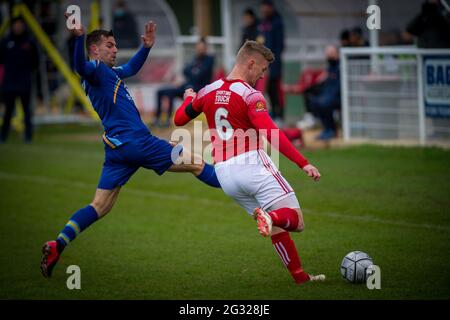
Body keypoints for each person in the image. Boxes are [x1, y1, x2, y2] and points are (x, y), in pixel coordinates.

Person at [40, 17, 221, 278]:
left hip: (118, 150)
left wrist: (146, 47)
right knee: (197, 163)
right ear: (95, 49)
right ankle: (236, 183)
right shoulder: (94, 70)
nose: (115, 49)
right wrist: (78, 38)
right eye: (110, 45)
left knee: (99, 206)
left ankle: (58, 244)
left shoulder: (108, 73)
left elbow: (132, 67)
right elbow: (79, 65)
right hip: (139, 144)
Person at [174, 40, 325, 284]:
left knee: (275, 224)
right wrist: (303, 162)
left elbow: (180, 119)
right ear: (251, 62)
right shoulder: (250, 95)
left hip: (225, 174)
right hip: (251, 165)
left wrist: (187, 99)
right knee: (295, 220)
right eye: (263, 70)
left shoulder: (208, 90)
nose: (263, 76)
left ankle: (300, 278)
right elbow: (271, 133)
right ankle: (272, 217)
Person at [153, 37, 214, 127]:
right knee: (160, 91)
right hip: (187, 87)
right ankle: (157, 119)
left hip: (198, 89)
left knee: (170, 93)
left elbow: (200, 75)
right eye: (198, 47)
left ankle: (167, 121)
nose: (200, 49)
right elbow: (185, 71)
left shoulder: (209, 59)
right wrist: (194, 71)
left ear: (205, 48)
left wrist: (193, 71)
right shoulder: (195, 59)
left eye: (202, 47)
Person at [0, 17, 39, 143]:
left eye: (20, 25)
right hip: (9, 82)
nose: (18, 27)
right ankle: (3, 136)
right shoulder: (6, 41)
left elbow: (35, 62)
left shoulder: (29, 42)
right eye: (15, 25)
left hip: (24, 82)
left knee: (27, 111)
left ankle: (28, 136)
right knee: (8, 111)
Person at [257, 0, 285, 124]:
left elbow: (280, 45)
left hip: (274, 63)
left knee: (275, 90)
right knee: (266, 90)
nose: (263, 9)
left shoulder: (277, 22)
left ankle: (279, 116)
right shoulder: (263, 22)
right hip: (263, 63)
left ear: (270, 7)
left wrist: (273, 61)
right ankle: (272, 115)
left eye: (265, 7)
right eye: (262, 7)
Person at [307, 45, 341, 141]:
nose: (329, 57)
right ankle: (327, 128)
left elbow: (337, 88)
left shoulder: (341, 67)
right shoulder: (330, 68)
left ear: (337, 54)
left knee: (324, 103)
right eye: (327, 55)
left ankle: (332, 130)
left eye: (331, 54)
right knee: (314, 101)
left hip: (339, 98)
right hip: (328, 96)